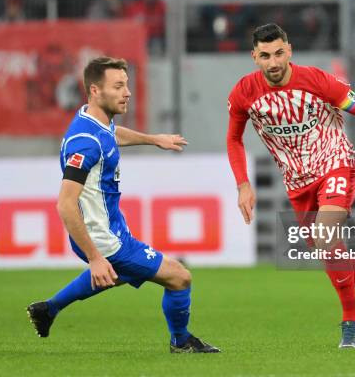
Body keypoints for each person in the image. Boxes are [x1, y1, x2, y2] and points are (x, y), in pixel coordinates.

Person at [225, 23, 355, 348]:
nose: (274, 62)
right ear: (255, 57)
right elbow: (234, 139)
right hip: (297, 181)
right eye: (265, 55)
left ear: (289, 50)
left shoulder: (318, 81)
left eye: (279, 53)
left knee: (325, 237)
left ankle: (350, 324)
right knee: (329, 251)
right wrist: (242, 184)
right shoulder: (243, 93)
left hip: (335, 162)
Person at [27, 56, 220, 354]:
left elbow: (113, 135)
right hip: (104, 239)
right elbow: (65, 204)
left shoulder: (94, 121)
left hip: (110, 231)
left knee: (117, 275)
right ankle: (181, 342)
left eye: (126, 85)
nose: (127, 92)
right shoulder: (85, 142)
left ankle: (49, 309)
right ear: (95, 90)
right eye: (118, 86)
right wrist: (94, 257)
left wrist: (153, 139)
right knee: (179, 277)